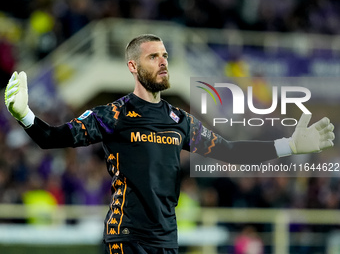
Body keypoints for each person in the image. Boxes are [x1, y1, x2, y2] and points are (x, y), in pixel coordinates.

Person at [4, 34, 335, 254]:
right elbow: (54, 139)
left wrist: (288, 145)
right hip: (126, 237)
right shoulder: (113, 114)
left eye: (164, 55)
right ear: (133, 67)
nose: (162, 61)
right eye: (153, 57)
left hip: (166, 239)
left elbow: (231, 153)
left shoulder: (181, 120)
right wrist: (27, 116)